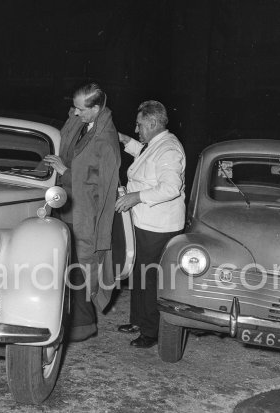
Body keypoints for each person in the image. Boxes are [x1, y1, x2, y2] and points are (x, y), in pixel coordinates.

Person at [44, 83, 121, 342]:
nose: (75, 114)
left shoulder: (106, 138)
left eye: (80, 109)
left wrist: (66, 172)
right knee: (68, 264)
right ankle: (74, 321)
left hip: (86, 215)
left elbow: (103, 185)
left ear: (96, 108)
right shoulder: (84, 124)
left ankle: (83, 325)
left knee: (82, 267)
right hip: (70, 208)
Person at [115, 100, 186, 348]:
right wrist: (125, 141)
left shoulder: (169, 149)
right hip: (144, 221)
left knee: (150, 278)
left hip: (158, 227)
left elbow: (170, 188)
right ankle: (138, 320)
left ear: (153, 123)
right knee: (138, 273)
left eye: (139, 125)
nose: (137, 130)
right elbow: (146, 157)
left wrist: (136, 196)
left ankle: (151, 331)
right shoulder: (156, 144)